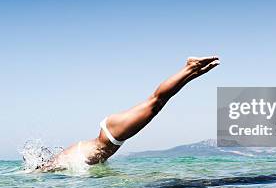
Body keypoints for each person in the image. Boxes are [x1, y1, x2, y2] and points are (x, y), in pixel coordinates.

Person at [40, 56, 220, 171]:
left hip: (111, 135)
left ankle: (189, 67)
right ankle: (193, 72)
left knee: (155, 102)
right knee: (158, 103)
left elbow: (43, 170)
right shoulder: (63, 158)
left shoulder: (57, 164)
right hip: (110, 133)